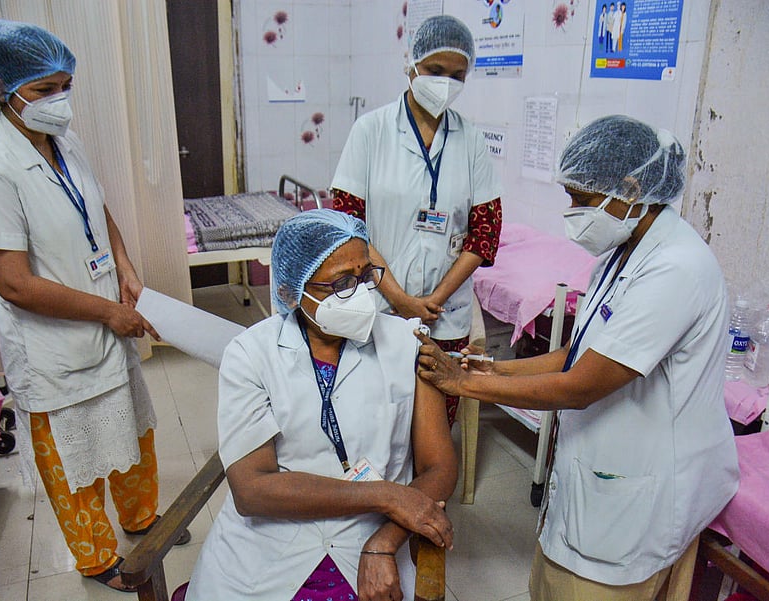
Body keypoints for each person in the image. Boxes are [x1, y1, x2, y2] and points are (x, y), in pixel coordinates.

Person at [416, 115, 739, 600]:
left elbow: (581, 385)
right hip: (593, 477)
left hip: (641, 493)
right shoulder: (621, 250)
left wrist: (464, 385)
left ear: (631, 188)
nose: (572, 211)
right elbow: (578, 352)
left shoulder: (676, 269)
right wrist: (491, 366)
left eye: (581, 200)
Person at [0, 19, 187, 593]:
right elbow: (13, 283)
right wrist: (107, 311)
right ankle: (96, 557)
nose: (59, 100)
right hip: (53, 347)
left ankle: (141, 519)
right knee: (73, 464)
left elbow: (97, 209)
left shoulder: (63, 140)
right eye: (44, 90)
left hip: (106, 321)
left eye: (65, 85)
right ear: (3, 90)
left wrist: (126, 269)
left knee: (133, 432)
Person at [185, 209, 457, 601]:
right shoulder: (250, 353)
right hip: (267, 549)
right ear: (290, 291)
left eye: (366, 276)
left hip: (367, 538)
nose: (362, 293)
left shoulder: (409, 341)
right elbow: (252, 490)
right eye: (342, 283)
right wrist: (386, 495)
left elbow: (440, 465)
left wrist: (385, 539)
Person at [331, 14, 502, 427]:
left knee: (435, 423)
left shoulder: (472, 140)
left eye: (457, 75)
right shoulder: (370, 131)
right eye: (435, 71)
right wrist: (401, 300)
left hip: (447, 312)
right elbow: (348, 226)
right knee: (377, 417)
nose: (445, 83)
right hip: (381, 304)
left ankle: (429, 491)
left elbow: (485, 232)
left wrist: (435, 300)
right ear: (411, 65)